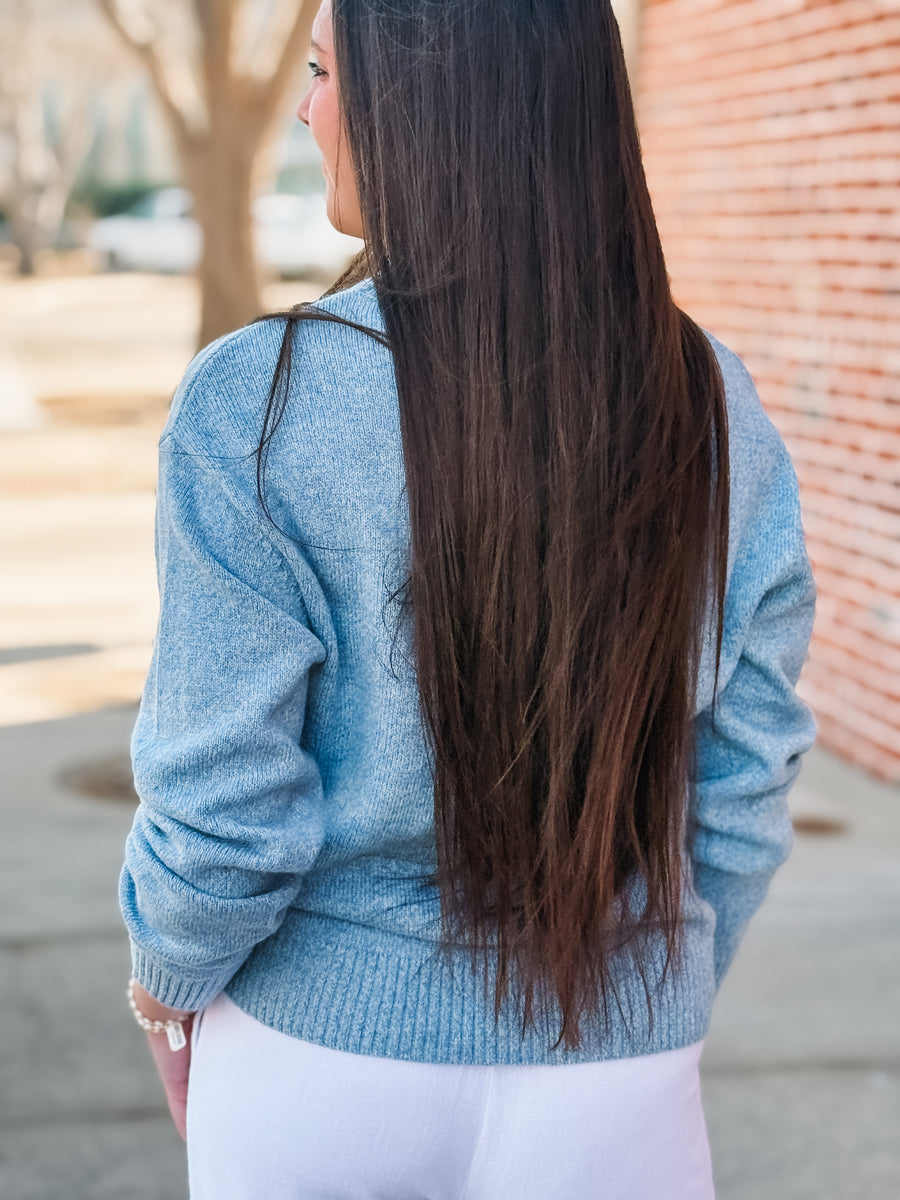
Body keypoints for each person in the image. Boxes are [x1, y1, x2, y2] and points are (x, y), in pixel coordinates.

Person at [119, 0, 817, 1196]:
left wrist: (165, 983)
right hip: (617, 1070)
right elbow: (747, 767)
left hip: (316, 1070)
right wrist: (663, 985)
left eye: (326, 70)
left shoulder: (260, 403)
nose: (307, 109)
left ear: (426, 102)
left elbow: (224, 793)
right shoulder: (710, 400)